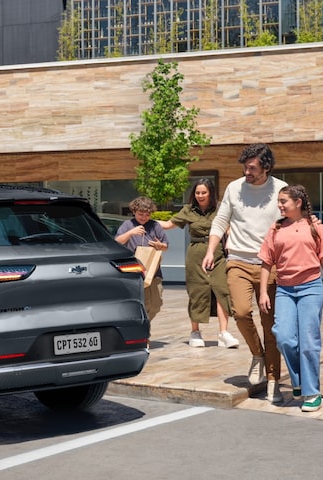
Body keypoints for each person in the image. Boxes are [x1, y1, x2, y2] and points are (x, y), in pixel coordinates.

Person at [201, 143, 287, 402]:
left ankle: (273, 379)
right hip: (237, 259)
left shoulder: (280, 189)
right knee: (239, 311)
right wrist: (210, 250)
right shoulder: (234, 188)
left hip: (269, 265)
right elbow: (220, 221)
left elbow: (293, 218)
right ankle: (257, 353)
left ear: (266, 168)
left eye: (252, 168)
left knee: (270, 324)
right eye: (245, 167)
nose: (246, 172)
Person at [257, 185, 323, 411]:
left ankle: (312, 393)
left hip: (311, 288)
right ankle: (298, 381)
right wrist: (264, 291)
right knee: (284, 337)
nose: (279, 205)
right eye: (279, 201)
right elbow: (267, 262)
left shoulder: (315, 227)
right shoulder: (275, 229)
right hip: (285, 289)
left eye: (284, 201)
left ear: (298, 203)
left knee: (309, 342)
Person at [158, 179, 239, 348]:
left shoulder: (220, 209)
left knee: (221, 290)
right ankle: (195, 332)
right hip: (195, 253)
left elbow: (230, 229)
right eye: (197, 192)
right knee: (197, 291)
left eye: (204, 192)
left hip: (217, 253)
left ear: (211, 193)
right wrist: (147, 220)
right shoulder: (188, 210)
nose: (200, 196)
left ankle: (224, 333)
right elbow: (168, 225)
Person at [116, 196, 169, 321]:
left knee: (156, 304)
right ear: (134, 212)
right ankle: (144, 333)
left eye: (147, 214)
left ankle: (145, 324)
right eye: (140, 214)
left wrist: (159, 245)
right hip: (133, 270)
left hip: (153, 270)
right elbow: (117, 242)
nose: (144, 217)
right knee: (140, 303)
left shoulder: (155, 225)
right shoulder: (127, 225)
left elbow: (165, 246)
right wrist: (130, 233)